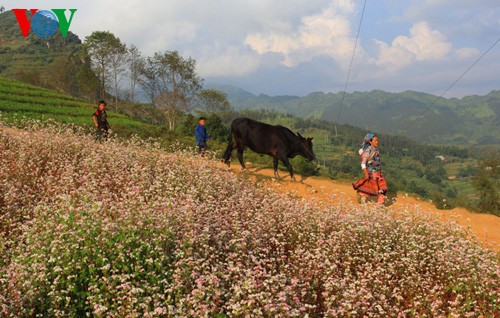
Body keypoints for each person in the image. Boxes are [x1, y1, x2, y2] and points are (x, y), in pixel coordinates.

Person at [352, 133, 387, 205]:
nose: (377, 142)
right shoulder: (368, 151)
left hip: (378, 173)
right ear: (370, 142)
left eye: (377, 140)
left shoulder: (376, 151)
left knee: (383, 190)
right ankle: (362, 196)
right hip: (372, 173)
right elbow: (363, 163)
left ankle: (379, 206)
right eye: (375, 140)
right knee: (375, 190)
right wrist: (366, 173)